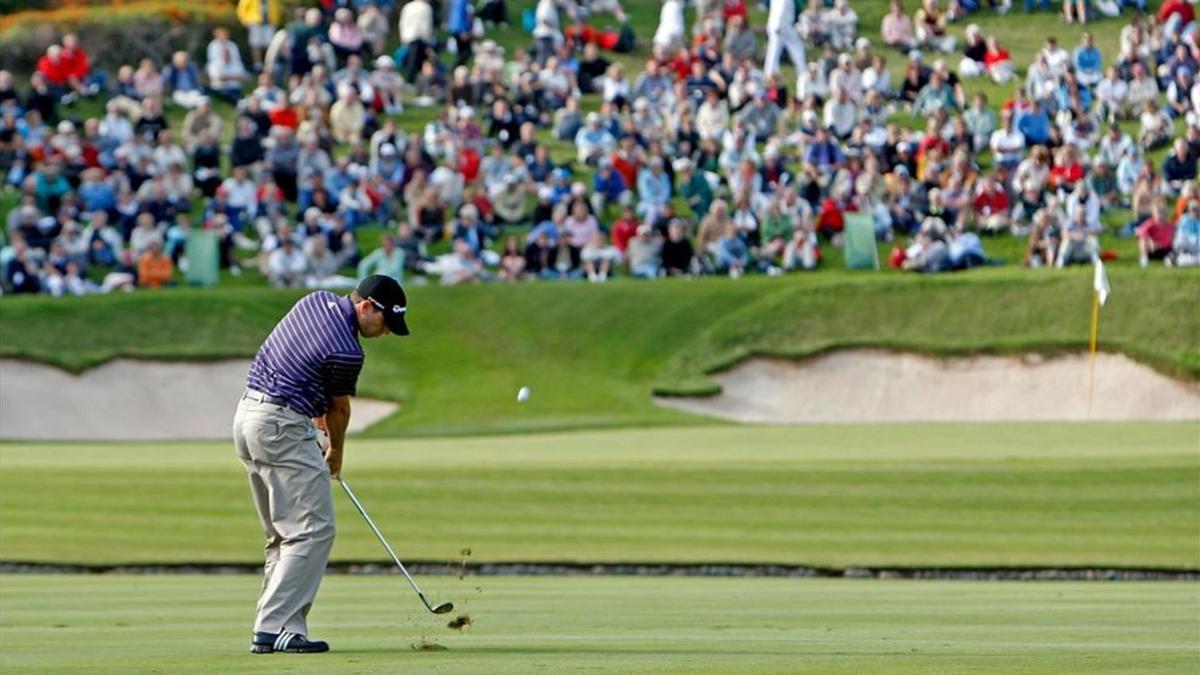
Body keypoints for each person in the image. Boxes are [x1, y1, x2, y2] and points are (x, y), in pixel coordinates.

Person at [236, 274, 409, 655]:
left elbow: (304, 366)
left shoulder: (314, 301)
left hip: (248, 417)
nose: (385, 334)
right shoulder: (348, 350)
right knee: (314, 531)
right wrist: (336, 453)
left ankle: (276, 627)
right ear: (366, 307)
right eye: (385, 324)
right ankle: (275, 627)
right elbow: (339, 408)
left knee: (284, 534)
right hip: (281, 426)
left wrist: (315, 427)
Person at [764, 0, 806, 79]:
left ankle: (770, 72)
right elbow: (780, 11)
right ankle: (802, 71)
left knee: (774, 51)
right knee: (797, 48)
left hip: (777, 26)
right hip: (782, 26)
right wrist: (778, 25)